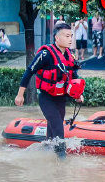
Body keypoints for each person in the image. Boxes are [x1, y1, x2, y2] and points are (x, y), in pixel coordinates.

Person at [14, 23, 84, 158]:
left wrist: (78, 95)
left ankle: (46, 156)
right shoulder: (45, 54)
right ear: (57, 38)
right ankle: (62, 161)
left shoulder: (69, 55)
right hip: (47, 98)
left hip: (61, 98)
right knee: (58, 127)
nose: (70, 39)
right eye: (66, 36)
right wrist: (20, 95)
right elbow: (29, 71)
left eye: (71, 36)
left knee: (53, 130)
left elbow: (73, 76)